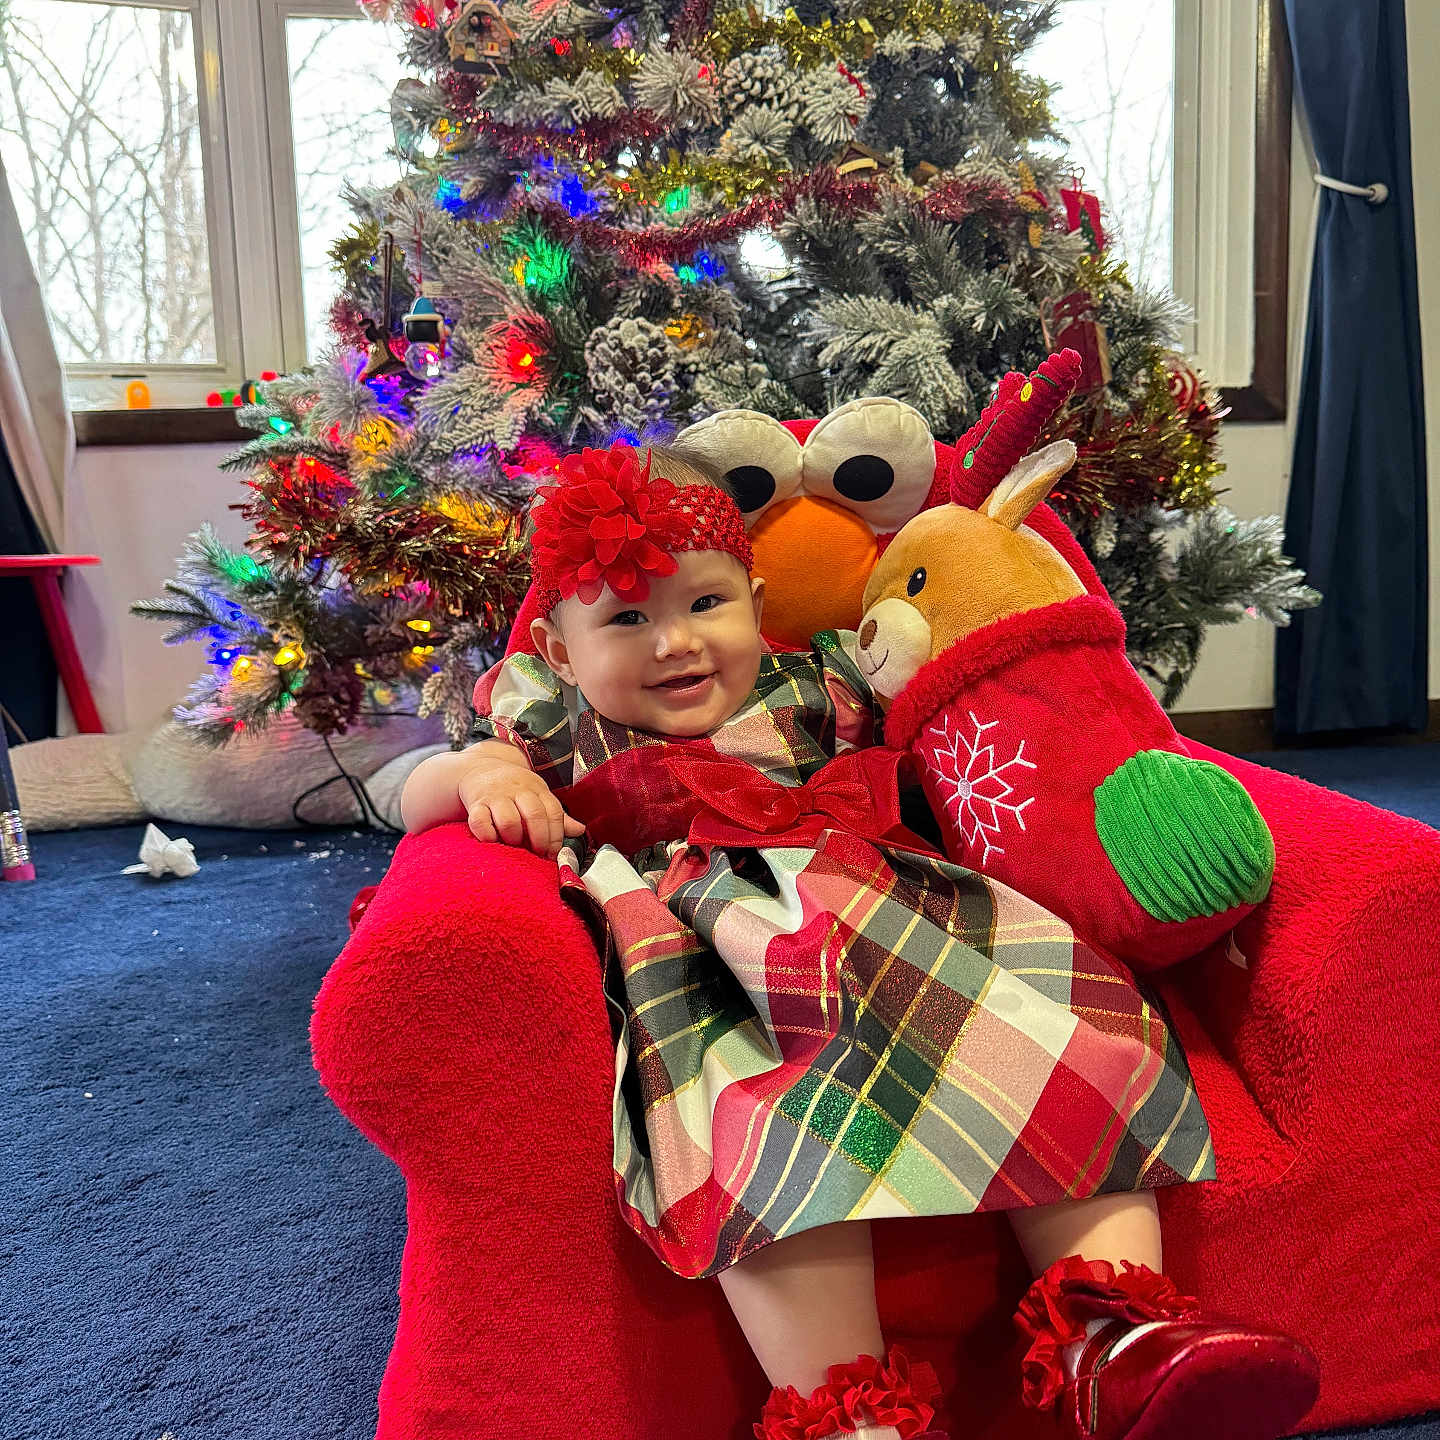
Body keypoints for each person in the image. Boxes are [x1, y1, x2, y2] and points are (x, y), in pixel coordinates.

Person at [400, 442, 1317, 1440]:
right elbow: (423, 785)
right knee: (761, 1144)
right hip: (711, 969)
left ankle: (1118, 1334)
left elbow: (967, 702)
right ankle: (850, 1417)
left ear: (753, 597)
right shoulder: (556, 717)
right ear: (563, 651)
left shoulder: (822, 680)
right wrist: (488, 781)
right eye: (627, 619)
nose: (674, 643)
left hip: (900, 916)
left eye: (705, 604)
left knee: (1062, 1042)